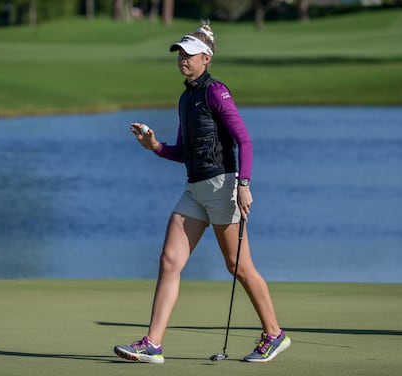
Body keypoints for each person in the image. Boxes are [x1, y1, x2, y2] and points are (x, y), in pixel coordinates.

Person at [113, 23, 290, 364]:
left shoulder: (216, 92)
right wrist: (154, 146)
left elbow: (245, 141)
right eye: (180, 53)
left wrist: (244, 184)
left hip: (223, 187)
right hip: (194, 189)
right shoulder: (186, 97)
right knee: (169, 261)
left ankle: (274, 334)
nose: (183, 59)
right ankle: (153, 344)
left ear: (206, 58)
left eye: (189, 54)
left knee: (238, 267)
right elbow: (183, 152)